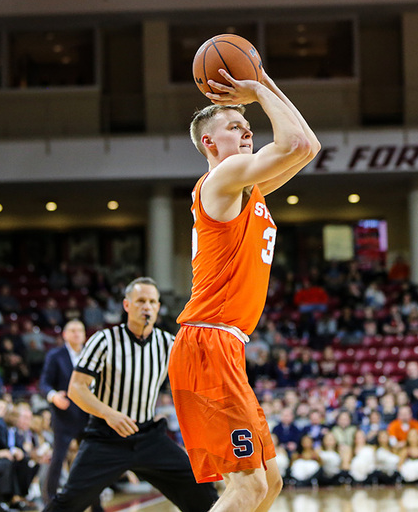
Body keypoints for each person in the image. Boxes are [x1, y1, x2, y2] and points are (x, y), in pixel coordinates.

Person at [168, 63, 320, 512]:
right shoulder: (220, 179)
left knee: (268, 484)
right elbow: (290, 141)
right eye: (236, 126)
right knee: (248, 488)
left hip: (225, 346)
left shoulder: (248, 190)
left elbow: (307, 146)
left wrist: (266, 86)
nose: (248, 130)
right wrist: (255, 87)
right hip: (207, 343)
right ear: (210, 144)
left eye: (248, 124)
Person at [44, 277, 218, 512]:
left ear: (158, 307)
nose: (146, 306)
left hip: (148, 436)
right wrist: (109, 414)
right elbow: (76, 388)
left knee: (202, 491)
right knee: (69, 502)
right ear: (127, 305)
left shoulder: (169, 344)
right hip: (106, 437)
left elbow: (198, 381)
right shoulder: (104, 340)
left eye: (152, 302)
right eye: (141, 301)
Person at [38, 320, 101, 511]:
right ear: (65, 334)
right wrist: (53, 396)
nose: (77, 334)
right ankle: (49, 502)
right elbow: (44, 384)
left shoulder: (91, 354)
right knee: (58, 459)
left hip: (88, 415)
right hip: (64, 416)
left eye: (80, 330)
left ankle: (96, 504)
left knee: (92, 461)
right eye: (72, 331)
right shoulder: (55, 355)